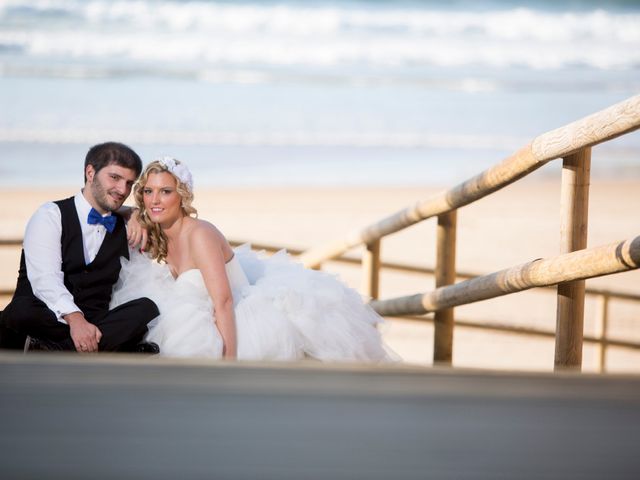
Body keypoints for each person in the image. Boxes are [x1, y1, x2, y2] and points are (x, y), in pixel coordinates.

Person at [111, 157, 396, 362]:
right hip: (199, 311)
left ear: (182, 196)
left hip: (236, 315)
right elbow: (115, 209)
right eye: (148, 192)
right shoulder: (159, 231)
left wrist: (229, 361)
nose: (155, 200)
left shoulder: (200, 235)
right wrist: (134, 214)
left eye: (166, 191)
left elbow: (223, 301)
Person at [0, 142, 160, 353]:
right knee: (21, 310)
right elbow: (45, 279)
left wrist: (135, 213)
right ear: (90, 172)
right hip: (47, 315)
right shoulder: (50, 215)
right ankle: (96, 347)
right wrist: (76, 321)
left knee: (146, 309)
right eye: (115, 178)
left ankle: (51, 349)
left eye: (129, 183)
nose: (123, 190)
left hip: (94, 322)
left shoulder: (128, 227)